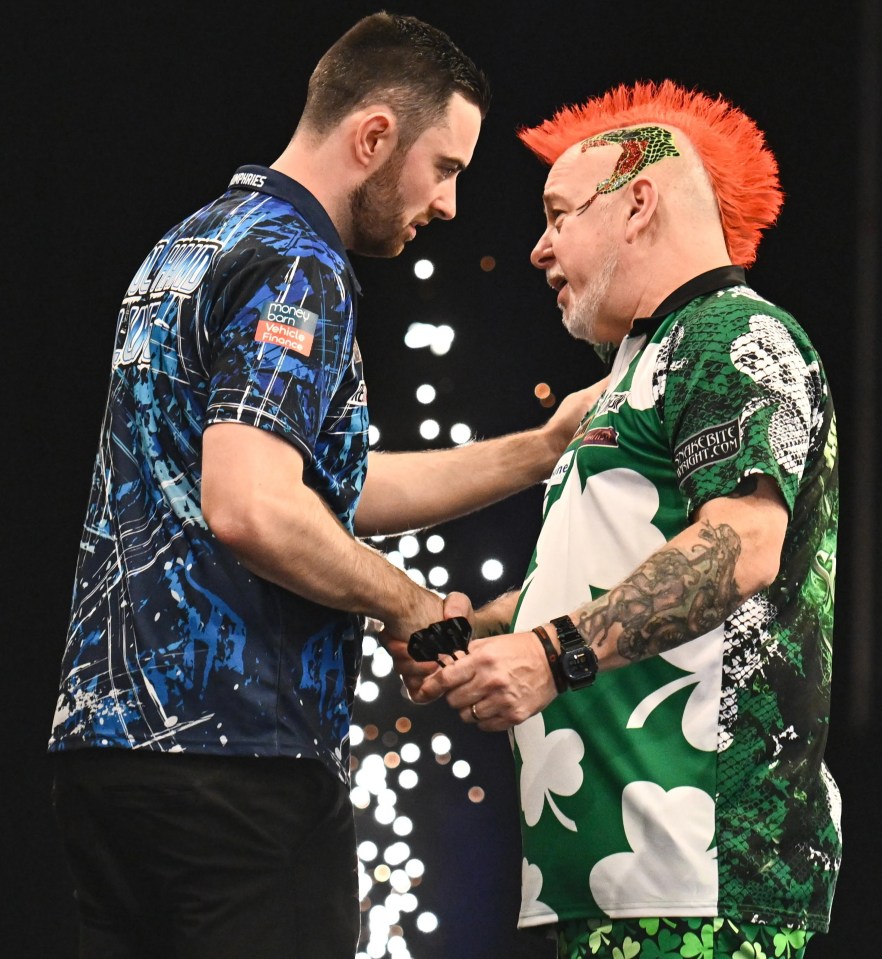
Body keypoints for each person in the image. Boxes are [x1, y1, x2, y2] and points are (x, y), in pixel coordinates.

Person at [47, 13, 606, 959]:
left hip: (104, 763)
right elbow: (254, 506)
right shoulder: (303, 265)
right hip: (237, 763)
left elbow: (315, 485)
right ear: (375, 136)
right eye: (447, 168)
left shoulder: (188, 246)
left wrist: (538, 451)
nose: (450, 206)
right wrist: (409, 602)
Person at [402, 80, 841, 959]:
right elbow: (607, 578)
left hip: (699, 878)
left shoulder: (730, 333)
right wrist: (470, 633)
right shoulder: (633, 373)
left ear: (638, 202)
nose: (536, 248)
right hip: (609, 877)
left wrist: (545, 651)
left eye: (558, 213)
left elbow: (742, 547)